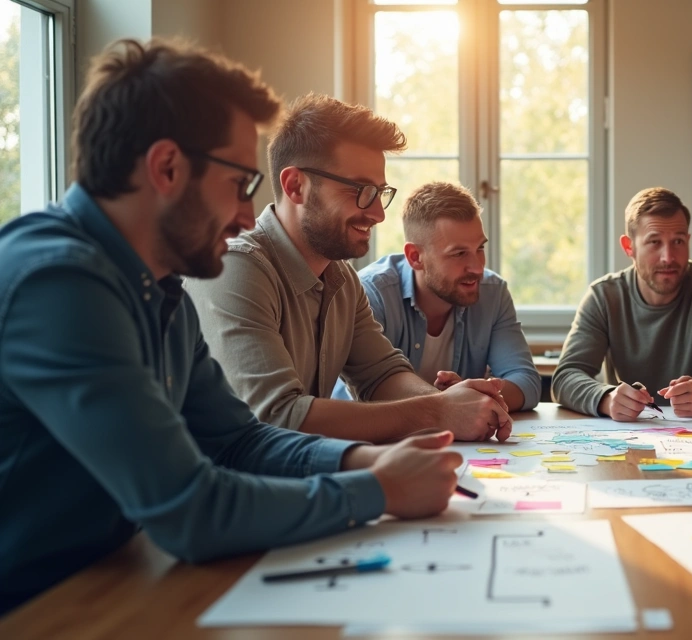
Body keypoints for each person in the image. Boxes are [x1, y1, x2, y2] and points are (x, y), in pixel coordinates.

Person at [0, 39, 462, 615]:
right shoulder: (59, 283)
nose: (247, 215)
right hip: (35, 608)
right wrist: (380, 489)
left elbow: (237, 438)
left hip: (116, 580)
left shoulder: (162, 285)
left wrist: (362, 461)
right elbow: (189, 509)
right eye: (239, 184)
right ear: (167, 167)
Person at [185, 94, 511, 444]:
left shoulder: (341, 278)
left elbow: (381, 375)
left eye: (380, 192)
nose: (378, 213)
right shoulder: (235, 267)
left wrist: (447, 401)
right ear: (296, 185)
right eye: (360, 191)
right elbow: (277, 418)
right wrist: (438, 411)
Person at [332, 181, 541, 411]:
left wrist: (472, 397)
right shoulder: (371, 294)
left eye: (479, 249)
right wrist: (450, 404)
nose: (477, 268)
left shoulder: (492, 292)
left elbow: (527, 382)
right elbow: (354, 397)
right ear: (415, 257)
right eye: (459, 253)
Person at [552, 187, 692, 420]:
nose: (668, 257)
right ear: (629, 247)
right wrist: (606, 398)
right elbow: (565, 377)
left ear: (688, 240)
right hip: (627, 435)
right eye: (654, 242)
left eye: (678, 241)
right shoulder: (604, 296)